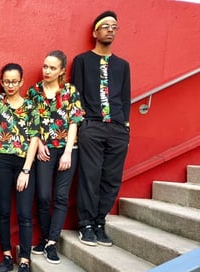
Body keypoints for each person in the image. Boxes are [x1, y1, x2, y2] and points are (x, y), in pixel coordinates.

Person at [71, 10, 131, 246]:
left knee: (112, 178)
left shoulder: (123, 65)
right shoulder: (82, 61)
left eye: (114, 27)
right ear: (95, 32)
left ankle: (99, 222)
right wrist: (82, 125)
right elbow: (76, 94)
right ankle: (85, 224)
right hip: (92, 126)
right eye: (106, 26)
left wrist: (125, 126)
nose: (110, 30)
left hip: (117, 128)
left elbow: (125, 98)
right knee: (90, 176)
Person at [27, 51, 84, 264]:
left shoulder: (70, 91)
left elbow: (74, 121)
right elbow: (30, 122)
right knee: (43, 196)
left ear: (61, 71)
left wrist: (68, 151)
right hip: (45, 149)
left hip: (68, 149)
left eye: (52, 68)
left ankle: (51, 242)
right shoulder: (34, 92)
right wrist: (39, 144)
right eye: (45, 66)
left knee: (61, 196)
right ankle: (44, 237)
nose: (47, 71)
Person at [0, 64, 40, 272]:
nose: (10, 85)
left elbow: (34, 138)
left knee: (24, 213)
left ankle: (25, 262)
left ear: (21, 82)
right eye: (6, 81)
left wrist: (26, 170)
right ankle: (7, 256)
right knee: (3, 211)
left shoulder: (30, 106)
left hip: (23, 162)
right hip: (1, 160)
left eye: (14, 81)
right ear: (2, 82)